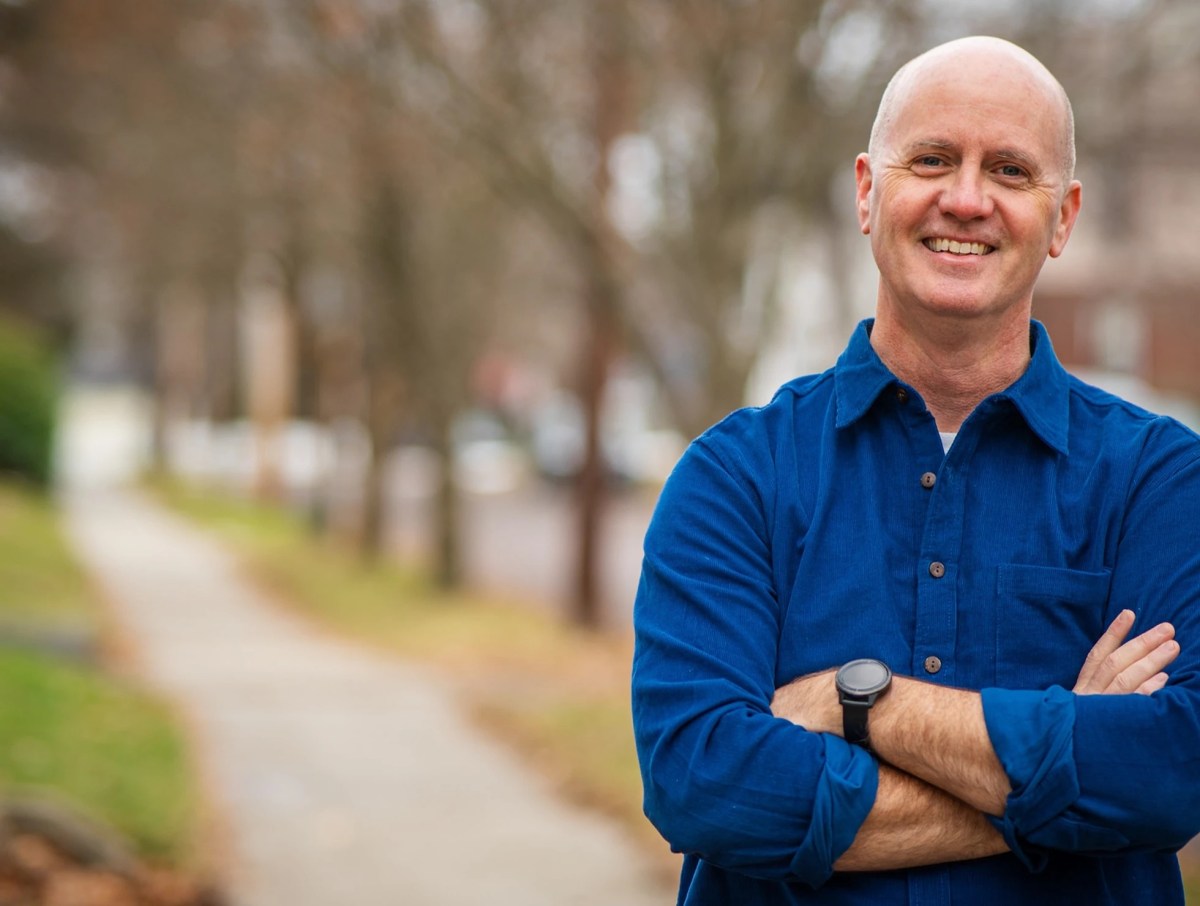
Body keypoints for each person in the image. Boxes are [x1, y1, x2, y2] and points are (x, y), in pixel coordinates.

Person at [631, 35, 1200, 905]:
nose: (966, 200)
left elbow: (1174, 768)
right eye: (931, 159)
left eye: (1011, 171)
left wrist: (862, 703)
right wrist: (1066, 756)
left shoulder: (1161, 482)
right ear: (868, 191)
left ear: (1066, 218)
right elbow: (704, 781)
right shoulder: (734, 477)